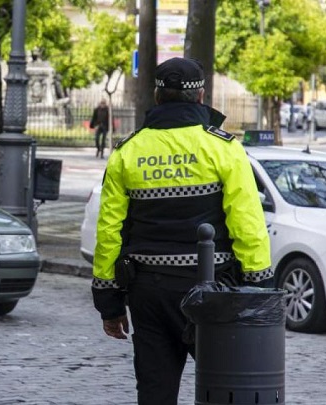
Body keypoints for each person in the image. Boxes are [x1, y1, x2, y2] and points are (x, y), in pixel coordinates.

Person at [91, 57, 272, 405]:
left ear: (157, 97)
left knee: (155, 392)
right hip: (214, 291)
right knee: (228, 389)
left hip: (149, 293)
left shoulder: (126, 153)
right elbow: (247, 225)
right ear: (200, 96)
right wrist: (259, 289)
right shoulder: (224, 148)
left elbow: (109, 233)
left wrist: (109, 304)